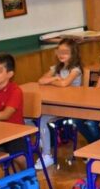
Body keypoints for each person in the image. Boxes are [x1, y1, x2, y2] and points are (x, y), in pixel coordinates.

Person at [35, 39, 83, 169]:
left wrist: (52, 81)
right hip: (58, 105)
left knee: (42, 120)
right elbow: (41, 80)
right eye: (59, 51)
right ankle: (43, 140)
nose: (61, 55)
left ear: (73, 53)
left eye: (65, 52)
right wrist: (55, 78)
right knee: (32, 117)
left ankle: (46, 154)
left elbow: (64, 83)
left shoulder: (75, 70)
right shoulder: (56, 68)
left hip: (71, 106)